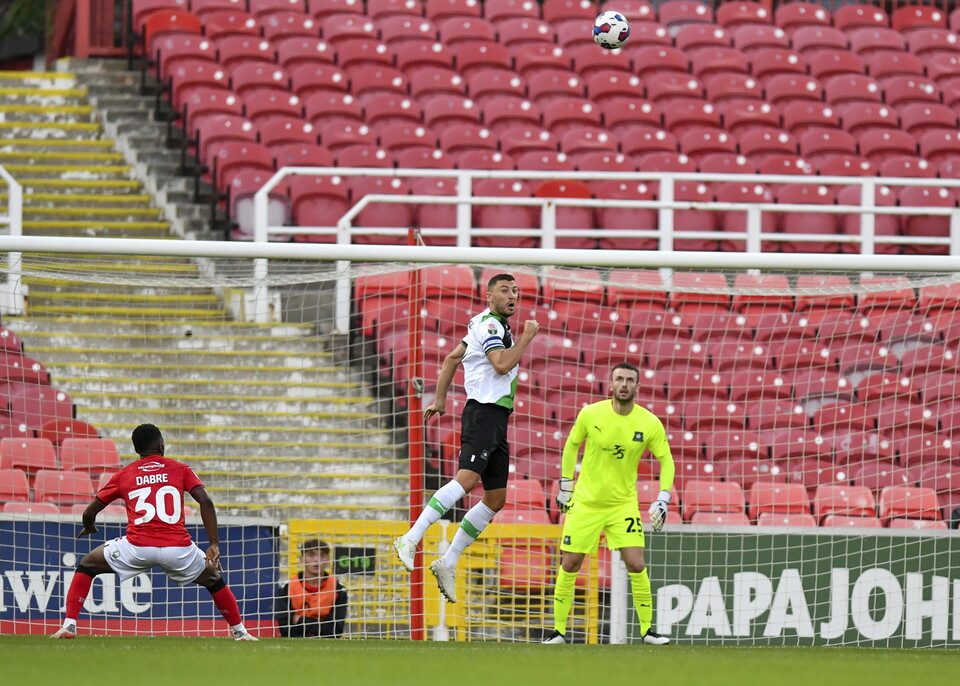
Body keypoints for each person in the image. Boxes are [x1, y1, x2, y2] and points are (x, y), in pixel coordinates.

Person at [393, 273, 539, 603]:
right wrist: (527, 338)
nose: (512, 294)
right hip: (484, 413)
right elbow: (501, 364)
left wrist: (441, 399)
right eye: (504, 290)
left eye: (515, 290)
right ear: (490, 297)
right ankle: (411, 538)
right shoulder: (490, 326)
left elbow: (451, 358)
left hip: (497, 417)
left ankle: (449, 561)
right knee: (468, 479)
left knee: (496, 498)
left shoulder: (484, 324)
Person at [51, 423, 257, 641]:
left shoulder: (124, 474)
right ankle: (240, 632)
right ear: (161, 446)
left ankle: (69, 626)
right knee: (213, 580)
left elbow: (91, 511)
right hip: (178, 549)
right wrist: (213, 543)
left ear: (137, 450)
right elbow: (205, 500)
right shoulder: (181, 469)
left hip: (137, 547)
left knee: (88, 564)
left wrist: (89, 525)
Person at [542, 362, 674, 646]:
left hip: (623, 505)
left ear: (638, 387)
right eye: (619, 379)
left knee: (636, 564)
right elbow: (571, 445)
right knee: (570, 562)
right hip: (586, 503)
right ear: (610, 385)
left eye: (629, 380)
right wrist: (565, 485)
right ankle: (558, 631)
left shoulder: (649, 422)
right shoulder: (591, 413)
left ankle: (648, 631)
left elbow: (666, 460)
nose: (624, 384)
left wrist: (664, 497)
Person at [274, 538, 348, 638]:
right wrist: (320, 626)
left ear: (328, 560)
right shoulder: (288, 587)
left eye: (322, 555)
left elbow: (335, 630)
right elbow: (285, 629)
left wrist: (299, 620)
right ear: (302, 559)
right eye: (311, 555)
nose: (317, 560)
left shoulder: (338, 589)